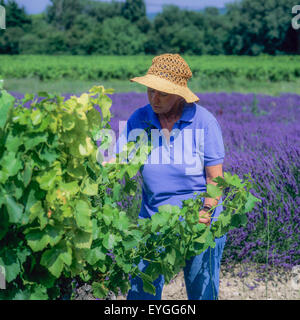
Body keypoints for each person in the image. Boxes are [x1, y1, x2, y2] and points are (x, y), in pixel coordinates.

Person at [105, 53, 226, 300]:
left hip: (199, 219)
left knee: (201, 290)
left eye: (162, 93)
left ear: (180, 94)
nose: (154, 98)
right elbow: (116, 161)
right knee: (141, 294)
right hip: (153, 220)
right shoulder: (140, 118)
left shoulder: (203, 122)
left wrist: (206, 212)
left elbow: (215, 179)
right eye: (150, 91)